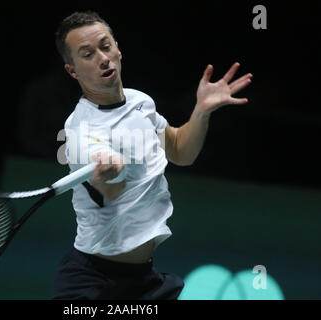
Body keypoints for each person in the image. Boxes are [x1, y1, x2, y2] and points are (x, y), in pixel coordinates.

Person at [53, 11, 252, 300]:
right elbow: (111, 189)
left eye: (105, 46)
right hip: (94, 284)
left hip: (142, 281)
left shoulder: (140, 102)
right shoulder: (79, 131)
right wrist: (109, 172)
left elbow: (180, 150)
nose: (102, 58)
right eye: (87, 54)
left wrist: (202, 111)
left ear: (118, 48)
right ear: (72, 70)